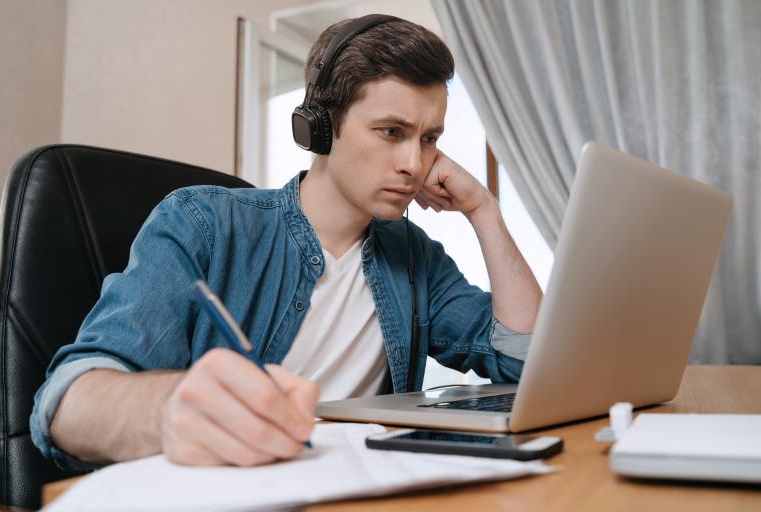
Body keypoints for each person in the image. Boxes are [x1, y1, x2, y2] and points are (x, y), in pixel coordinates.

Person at [30, 15, 542, 470]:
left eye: (429, 138)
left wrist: (484, 211)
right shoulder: (204, 223)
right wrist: (174, 406)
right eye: (391, 131)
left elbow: (526, 361)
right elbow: (67, 406)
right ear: (320, 126)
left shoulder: (415, 258)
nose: (415, 163)